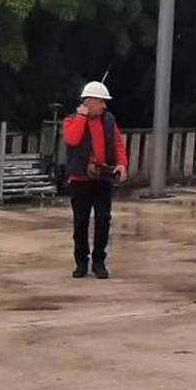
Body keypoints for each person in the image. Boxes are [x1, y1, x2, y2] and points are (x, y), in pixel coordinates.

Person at [61, 81, 128, 279]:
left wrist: (122, 163)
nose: (104, 106)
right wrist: (82, 116)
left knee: (103, 220)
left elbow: (117, 144)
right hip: (80, 179)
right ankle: (81, 262)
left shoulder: (108, 121)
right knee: (80, 223)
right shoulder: (72, 120)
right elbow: (72, 139)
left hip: (102, 178)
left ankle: (99, 260)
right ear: (90, 102)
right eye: (101, 102)